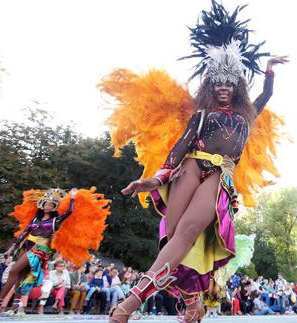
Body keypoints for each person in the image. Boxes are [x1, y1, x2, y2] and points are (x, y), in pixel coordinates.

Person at [103, 2, 287, 322]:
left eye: (229, 82)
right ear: (210, 85)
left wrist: (269, 68)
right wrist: (156, 179)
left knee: (187, 232)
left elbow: (267, 95)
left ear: (238, 86)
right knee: (173, 240)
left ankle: (130, 304)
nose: (224, 87)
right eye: (218, 82)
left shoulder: (247, 114)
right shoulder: (201, 115)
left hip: (219, 176)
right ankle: (191, 301)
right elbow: (181, 146)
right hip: (188, 169)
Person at [0, 187, 110, 316]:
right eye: (46, 204)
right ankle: (14, 307)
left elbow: (70, 211)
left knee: (14, 270)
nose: (47, 207)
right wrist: (12, 247)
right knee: (21, 276)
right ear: (42, 205)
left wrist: (73, 198)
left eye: (50, 205)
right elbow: (24, 233)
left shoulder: (55, 220)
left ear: (54, 207)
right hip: (27, 247)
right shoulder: (35, 219)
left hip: (40, 249)